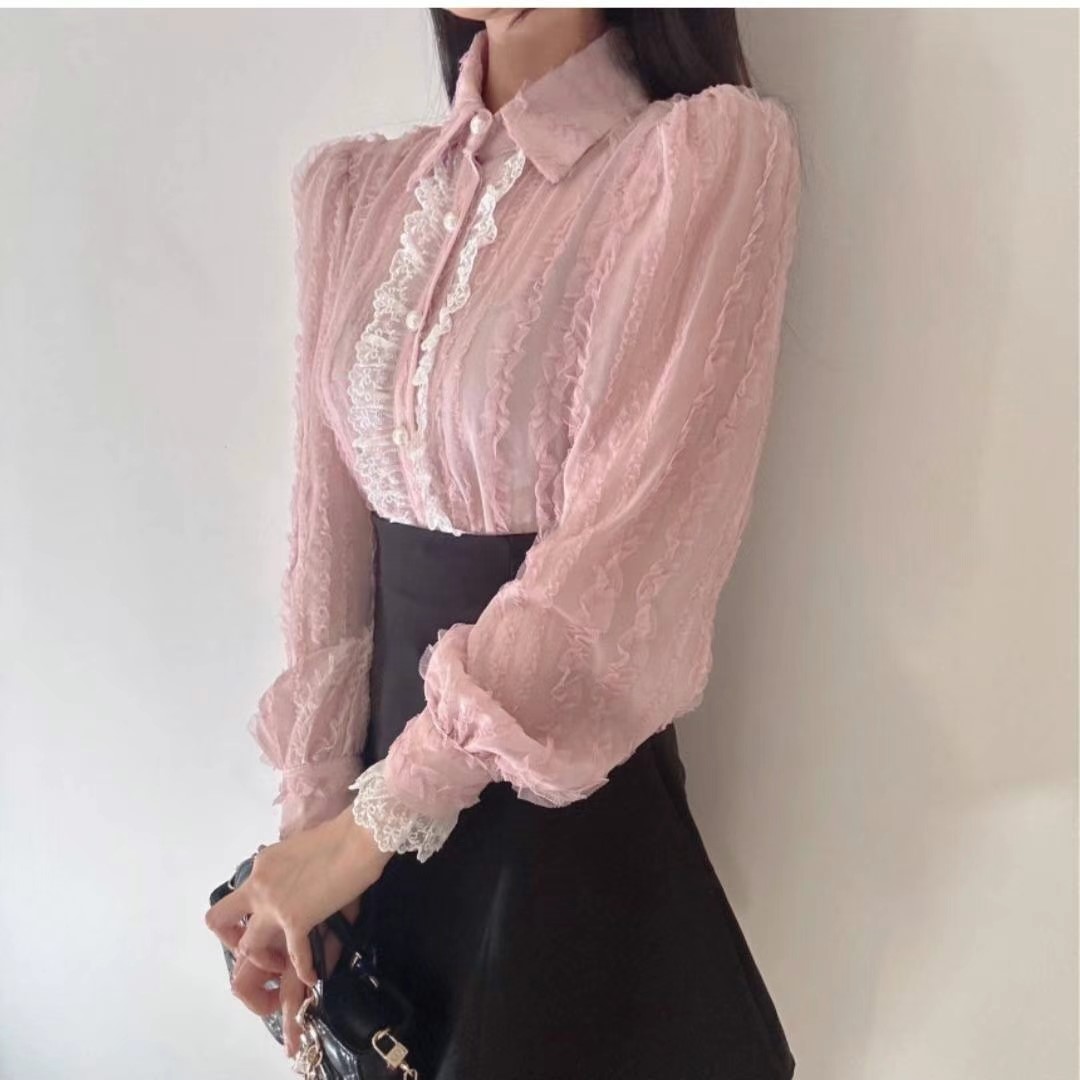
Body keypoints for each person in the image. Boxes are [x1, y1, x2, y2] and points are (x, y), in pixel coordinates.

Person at [206, 7, 802, 1078]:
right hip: (373, 833)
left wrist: (361, 836)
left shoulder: (694, 158)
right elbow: (327, 551)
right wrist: (312, 833)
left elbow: (621, 570)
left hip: (556, 816)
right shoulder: (354, 195)